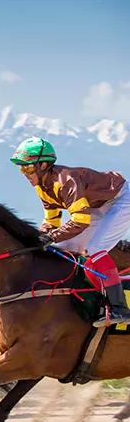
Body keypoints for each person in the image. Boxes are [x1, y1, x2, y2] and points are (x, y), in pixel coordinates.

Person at [10, 137, 130, 326]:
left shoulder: (66, 181)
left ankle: (119, 308)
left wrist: (50, 237)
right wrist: (38, 238)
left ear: (43, 165)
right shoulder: (41, 187)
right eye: (21, 169)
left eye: (28, 168)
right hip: (96, 206)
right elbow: (52, 221)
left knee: (95, 249)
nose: (25, 173)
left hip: (121, 200)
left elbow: (80, 221)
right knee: (64, 248)